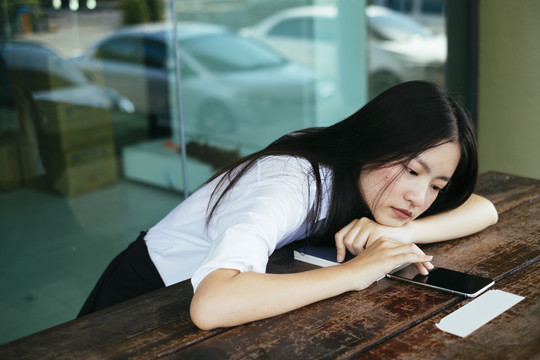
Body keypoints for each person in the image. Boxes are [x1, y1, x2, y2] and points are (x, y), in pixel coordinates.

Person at [78, 81, 498, 330]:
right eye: (411, 171)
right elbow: (212, 306)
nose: (419, 198)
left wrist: (399, 232)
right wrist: (357, 272)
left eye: (437, 186)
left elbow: (483, 209)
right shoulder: (289, 181)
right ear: (377, 141)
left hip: (224, 304)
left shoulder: (372, 188)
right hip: (144, 306)